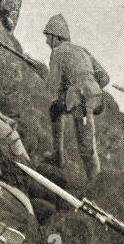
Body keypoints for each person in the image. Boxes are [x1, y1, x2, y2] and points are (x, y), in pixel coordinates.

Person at [44, 14, 109, 182]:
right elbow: (105, 77)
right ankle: (58, 157)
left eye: (48, 37)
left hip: (81, 99)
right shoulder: (81, 50)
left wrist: (43, 72)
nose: (46, 42)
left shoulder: (57, 52)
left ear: (56, 37)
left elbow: (52, 85)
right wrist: (90, 85)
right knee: (56, 110)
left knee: (86, 146)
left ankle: (94, 184)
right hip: (96, 97)